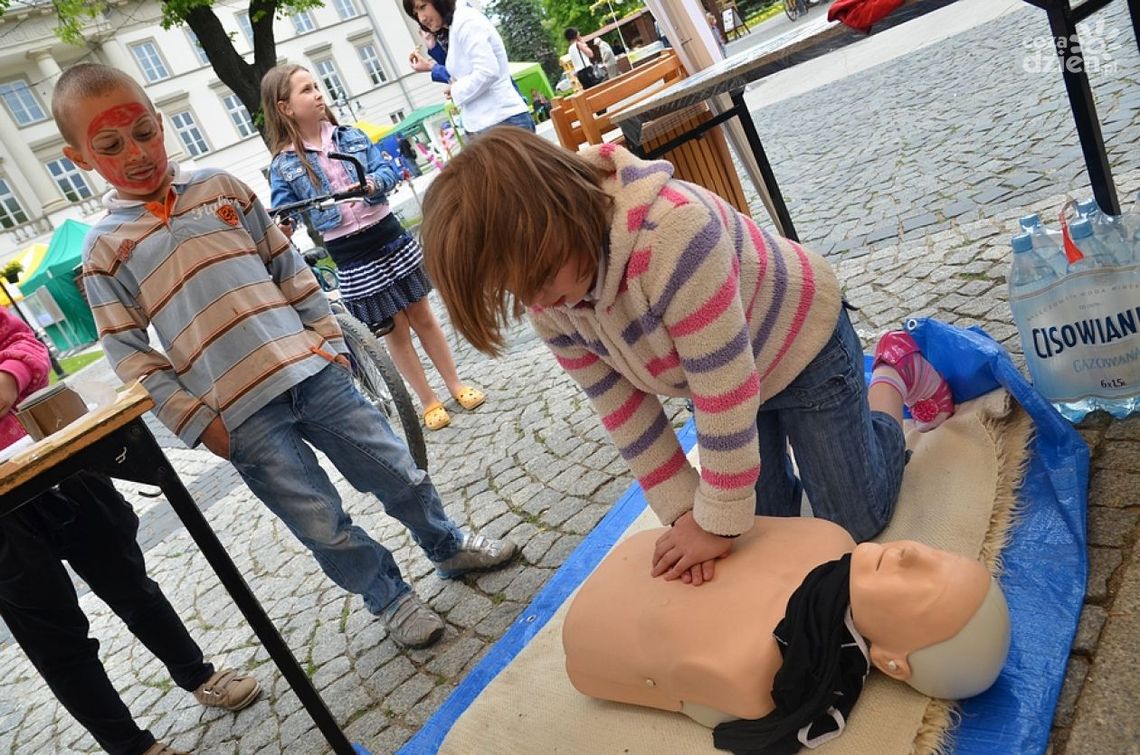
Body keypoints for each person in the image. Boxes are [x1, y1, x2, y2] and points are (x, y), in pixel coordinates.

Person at [53, 62, 517, 650]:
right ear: (80, 159)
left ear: (162, 122)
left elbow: (285, 266)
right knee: (321, 523)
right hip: (240, 416)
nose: (137, 152)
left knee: (396, 469)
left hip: (313, 372)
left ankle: (447, 547)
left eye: (144, 132)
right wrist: (201, 424)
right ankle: (390, 599)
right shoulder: (104, 251)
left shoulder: (222, 189)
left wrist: (327, 339)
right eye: (112, 145)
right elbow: (129, 353)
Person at [420, 129, 957, 586]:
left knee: (854, 522)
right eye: (516, 292)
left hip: (800, 345)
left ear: (559, 212)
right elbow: (625, 412)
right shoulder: (551, 305)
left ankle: (891, 372)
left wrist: (716, 522)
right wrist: (686, 516)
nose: (536, 302)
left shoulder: (675, 231)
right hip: (719, 376)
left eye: (537, 279)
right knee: (760, 531)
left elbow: (727, 394)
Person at [0, 307, 260, 755]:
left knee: (130, 584)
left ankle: (198, 675)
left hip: (52, 451)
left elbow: (25, 344)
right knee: (54, 638)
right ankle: (131, 747)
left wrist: (11, 373)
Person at [563, 516, 1010, 753]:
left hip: (604, 621)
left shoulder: (764, 678)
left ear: (892, 662)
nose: (911, 552)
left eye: (921, 588)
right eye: (937, 557)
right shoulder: (829, 537)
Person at [262, 63, 485, 431]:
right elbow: (287, 210)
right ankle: (428, 401)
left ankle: (455, 384)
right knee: (395, 330)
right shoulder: (284, 165)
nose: (318, 94)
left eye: (317, 86)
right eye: (306, 90)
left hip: (387, 234)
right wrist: (283, 227)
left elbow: (387, 171)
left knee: (423, 316)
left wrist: (369, 185)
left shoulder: (350, 137)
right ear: (285, 107)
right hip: (351, 254)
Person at [404, 0, 535, 134]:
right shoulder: (455, 25)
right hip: (490, 122)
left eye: (423, 7)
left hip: (501, 121)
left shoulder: (465, 21)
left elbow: (487, 72)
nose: (421, 18)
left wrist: (455, 89)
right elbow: (463, 73)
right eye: (416, 13)